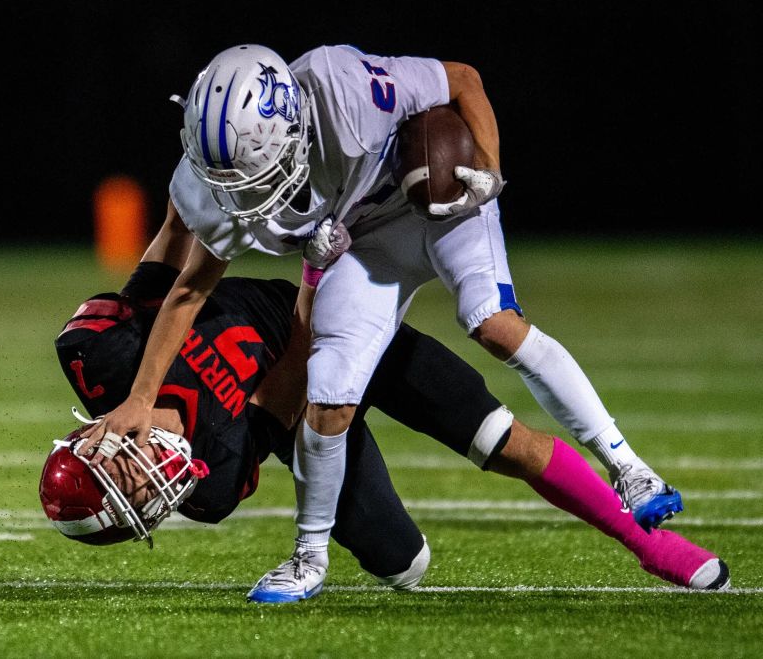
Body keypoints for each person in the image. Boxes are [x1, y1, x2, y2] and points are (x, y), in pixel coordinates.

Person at [77, 44, 682, 601]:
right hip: (360, 243)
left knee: (491, 324)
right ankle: (308, 558)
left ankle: (626, 464)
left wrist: (490, 171)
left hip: (437, 204)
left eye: (248, 172)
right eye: (225, 178)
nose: (237, 193)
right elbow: (190, 287)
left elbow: (464, 79)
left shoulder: (344, 90)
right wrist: (143, 396)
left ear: (289, 127)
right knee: (330, 392)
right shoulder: (218, 183)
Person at [45, 238, 730, 599]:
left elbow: (174, 246)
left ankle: (651, 548)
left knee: (502, 441)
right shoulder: (211, 483)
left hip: (340, 323)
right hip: (306, 366)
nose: (153, 491)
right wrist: (315, 289)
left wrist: (207, 179)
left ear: (90, 441)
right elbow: (290, 387)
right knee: (404, 565)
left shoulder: (97, 352)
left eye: (127, 489)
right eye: (142, 510)